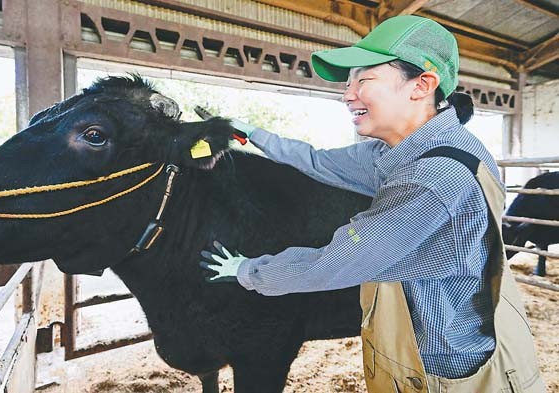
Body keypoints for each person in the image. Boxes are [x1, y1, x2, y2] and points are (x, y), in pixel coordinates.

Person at [198, 15, 544, 393]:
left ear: (422, 85)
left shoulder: (432, 179)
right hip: (427, 347)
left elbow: (329, 263)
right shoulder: (410, 150)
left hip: (444, 370)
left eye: (364, 80)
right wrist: (254, 134)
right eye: (348, 84)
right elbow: (317, 160)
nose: (347, 95)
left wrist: (248, 270)